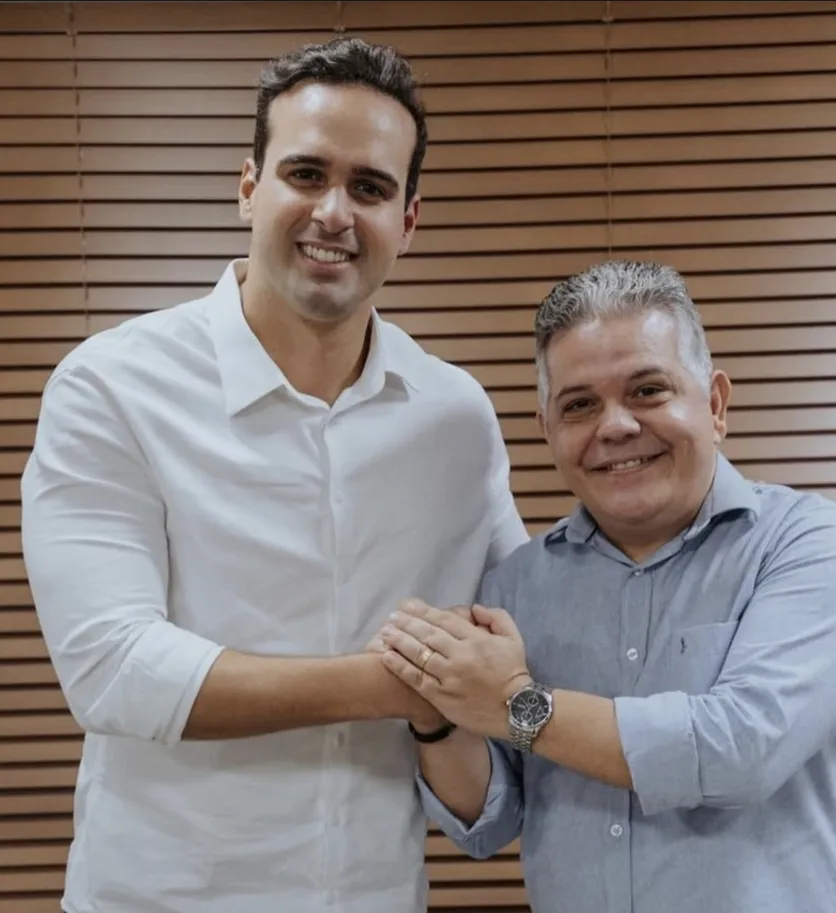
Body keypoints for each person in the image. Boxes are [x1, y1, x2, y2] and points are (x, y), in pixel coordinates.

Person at [19, 37, 527, 913]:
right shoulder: (111, 384)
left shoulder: (457, 417)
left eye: (370, 188)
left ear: (407, 220)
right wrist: (401, 682)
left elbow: (512, 637)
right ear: (249, 186)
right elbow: (114, 668)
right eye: (306, 174)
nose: (334, 211)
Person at [374, 260, 836, 913]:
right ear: (548, 430)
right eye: (579, 405)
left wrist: (516, 704)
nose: (615, 426)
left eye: (648, 390)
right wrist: (435, 715)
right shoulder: (517, 583)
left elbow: (742, 748)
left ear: (715, 404)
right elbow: (490, 818)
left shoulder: (808, 544)